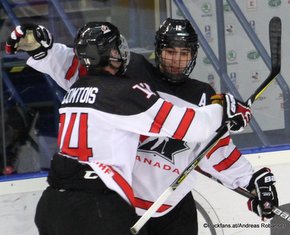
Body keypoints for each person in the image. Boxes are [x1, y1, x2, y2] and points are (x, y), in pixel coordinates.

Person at [5, 20, 276, 235]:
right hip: (121, 205)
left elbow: (216, 147)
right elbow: (81, 67)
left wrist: (248, 179)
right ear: (158, 50)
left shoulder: (203, 94)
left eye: (184, 53)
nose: (176, 60)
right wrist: (223, 111)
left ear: (194, 55)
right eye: (170, 51)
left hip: (170, 205)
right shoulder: (130, 74)